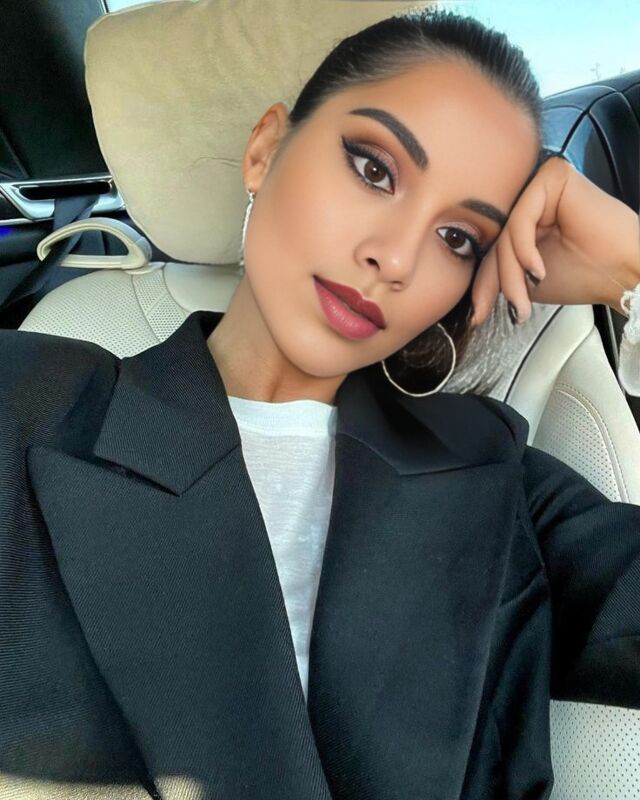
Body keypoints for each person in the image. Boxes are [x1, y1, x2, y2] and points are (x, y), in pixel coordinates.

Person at [1, 8, 639, 800]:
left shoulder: (497, 473)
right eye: (374, 169)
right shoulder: (29, 398)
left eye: (458, 239)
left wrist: (634, 267)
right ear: (266, 149)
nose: (396, 258)